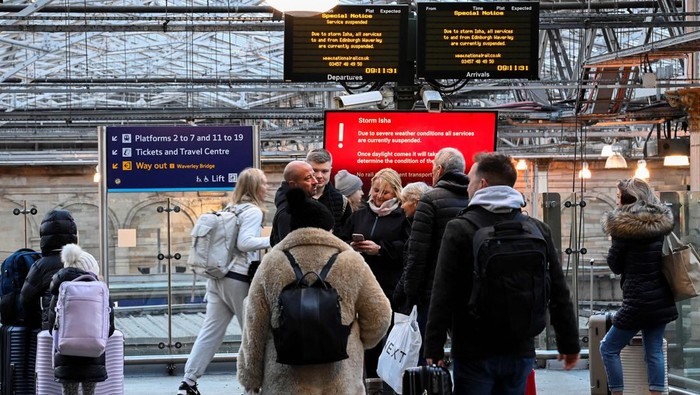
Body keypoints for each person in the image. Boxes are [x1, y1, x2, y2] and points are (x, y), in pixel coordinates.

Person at [424, 152, 580, 394]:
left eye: (470, 181)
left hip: (473, 349)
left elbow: (443, 291)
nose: (467, 188)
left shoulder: (460, 228)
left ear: (482, 184)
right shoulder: (537, 229)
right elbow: (558, 290)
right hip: (521, 349)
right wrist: (569, 343)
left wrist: (433, 348)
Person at [237, 188, 391, 394]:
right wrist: (353, 341)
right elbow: (380, 315)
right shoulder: (351, 261)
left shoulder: (272, 263)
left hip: (285, 380)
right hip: (341, 379)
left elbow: (254, 325)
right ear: (329, 228)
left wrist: (251, 377)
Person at [178, 167, 271, 395]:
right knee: (251, 334)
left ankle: (188, 381)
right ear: (254, 187)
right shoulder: (253, 211)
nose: (268, 187)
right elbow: (245, 243)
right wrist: (273, 239)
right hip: (237, 278)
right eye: (265, 183)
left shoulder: (231, 208)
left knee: (210, 331)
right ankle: (252, 387)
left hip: (217, 278)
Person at [600, 178, 677, 395]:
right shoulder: (659, 225)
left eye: (618, 197)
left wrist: (613, 242)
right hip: (661, 297)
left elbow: (615, 266)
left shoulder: (623, 229)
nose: (616, 201)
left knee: (608, 348)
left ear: (627, 199)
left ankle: (617, 392)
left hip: (637, 301)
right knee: (653, 351)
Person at [339, 167, 411, 385]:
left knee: (387, 336)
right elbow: (341, 240)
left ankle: (388, 381)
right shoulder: (359, 215)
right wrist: (352, 246)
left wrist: (381, 249)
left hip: (389, 285)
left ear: (396, 193)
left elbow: (408, 249)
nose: (379, 197)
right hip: (360, 286)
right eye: (377, 190)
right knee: (366, 337)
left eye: (385, 193)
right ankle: (371, 383)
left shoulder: (403, 218)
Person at [401, 148, 469, 349]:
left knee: (427, 351)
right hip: (466, 290)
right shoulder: (473, 197)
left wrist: (410, 293)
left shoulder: (430, 200)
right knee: (463, 350)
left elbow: (418, 253)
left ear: (439, 170)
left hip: (432, 292)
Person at [48, 243, 114, 395]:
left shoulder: (61, 289)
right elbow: (109, 329)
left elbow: (52, 326)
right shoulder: (101, 291)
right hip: (93, 356)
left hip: (66, 357)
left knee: (69, 392)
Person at [20, 209, 78, 330]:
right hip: (84, 328)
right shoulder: (84, 260)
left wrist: (40, 321)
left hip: (52, 330)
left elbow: (26, 299)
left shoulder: (41, 265)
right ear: (73, 232)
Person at [393, 181, 432, 314]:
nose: (402, 206)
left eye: (404, 201)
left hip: (418, 296)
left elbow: (414, 263)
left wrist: (398, 294)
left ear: (416, 202)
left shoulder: (420, 226)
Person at [270, 160, 318, 246]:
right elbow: (290, 250)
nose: (315, 181)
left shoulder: (302, 206)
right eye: (308, 178)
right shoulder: (289, 213)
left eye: (314, 175)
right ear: (293, 184)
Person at [306, 148, 352, 235]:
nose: (319, 176)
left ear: (330, 170)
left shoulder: (342, 201)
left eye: (324, 171)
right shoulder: (292, 199)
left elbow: (347, 235)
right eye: (315, 171)